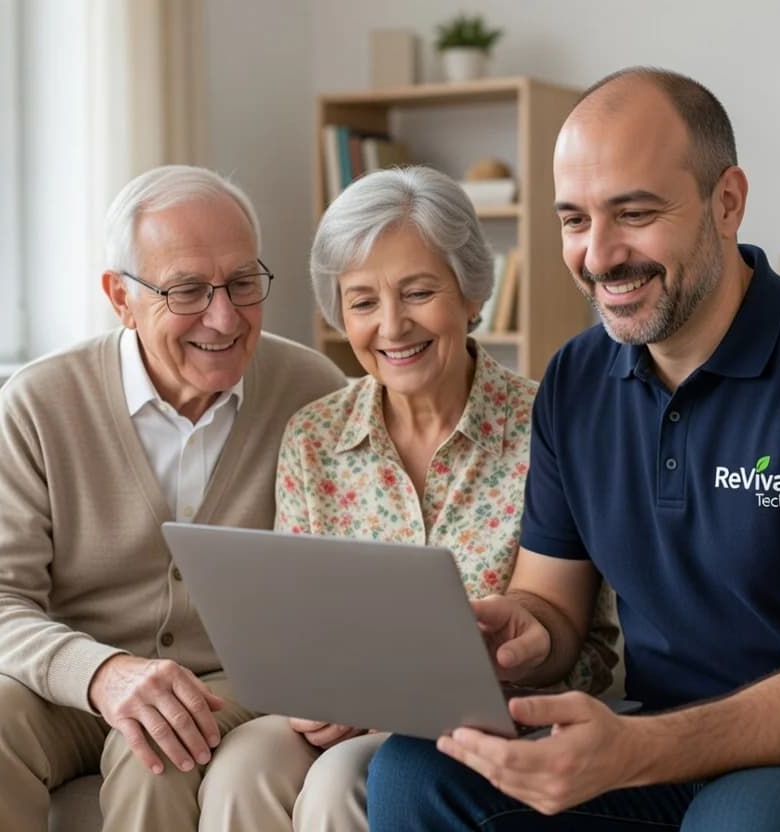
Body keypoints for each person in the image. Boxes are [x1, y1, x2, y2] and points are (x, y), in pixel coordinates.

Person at [367, 68, 780, 830]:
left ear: (728, 202)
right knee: (417, 773)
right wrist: (524, 632)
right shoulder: (574, 381)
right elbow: (551, 603)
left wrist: (637, 749)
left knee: (742, 822)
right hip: (665, 745)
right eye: (575, 220)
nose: (599, 255)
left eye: (634, 213)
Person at [0, 165, 348, 831]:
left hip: (230, 683)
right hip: (74, 682)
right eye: (187, 291)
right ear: (120, 297)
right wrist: (103, 674)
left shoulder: (313, 391)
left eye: (243, 282)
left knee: (158, 746)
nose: (224, 317)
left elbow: (347, 580)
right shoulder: (40, 402)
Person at [226, 165, 620, 831]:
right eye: (362, 302)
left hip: (488, 724)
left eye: (418, 292)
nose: (392, 326)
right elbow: (298, 631)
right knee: (244, 765)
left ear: (470, 293)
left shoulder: (549, 429)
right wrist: (315, 696)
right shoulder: (314, 437)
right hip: (347, 715)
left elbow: (595, 653)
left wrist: (494, 674)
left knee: (341, 781)